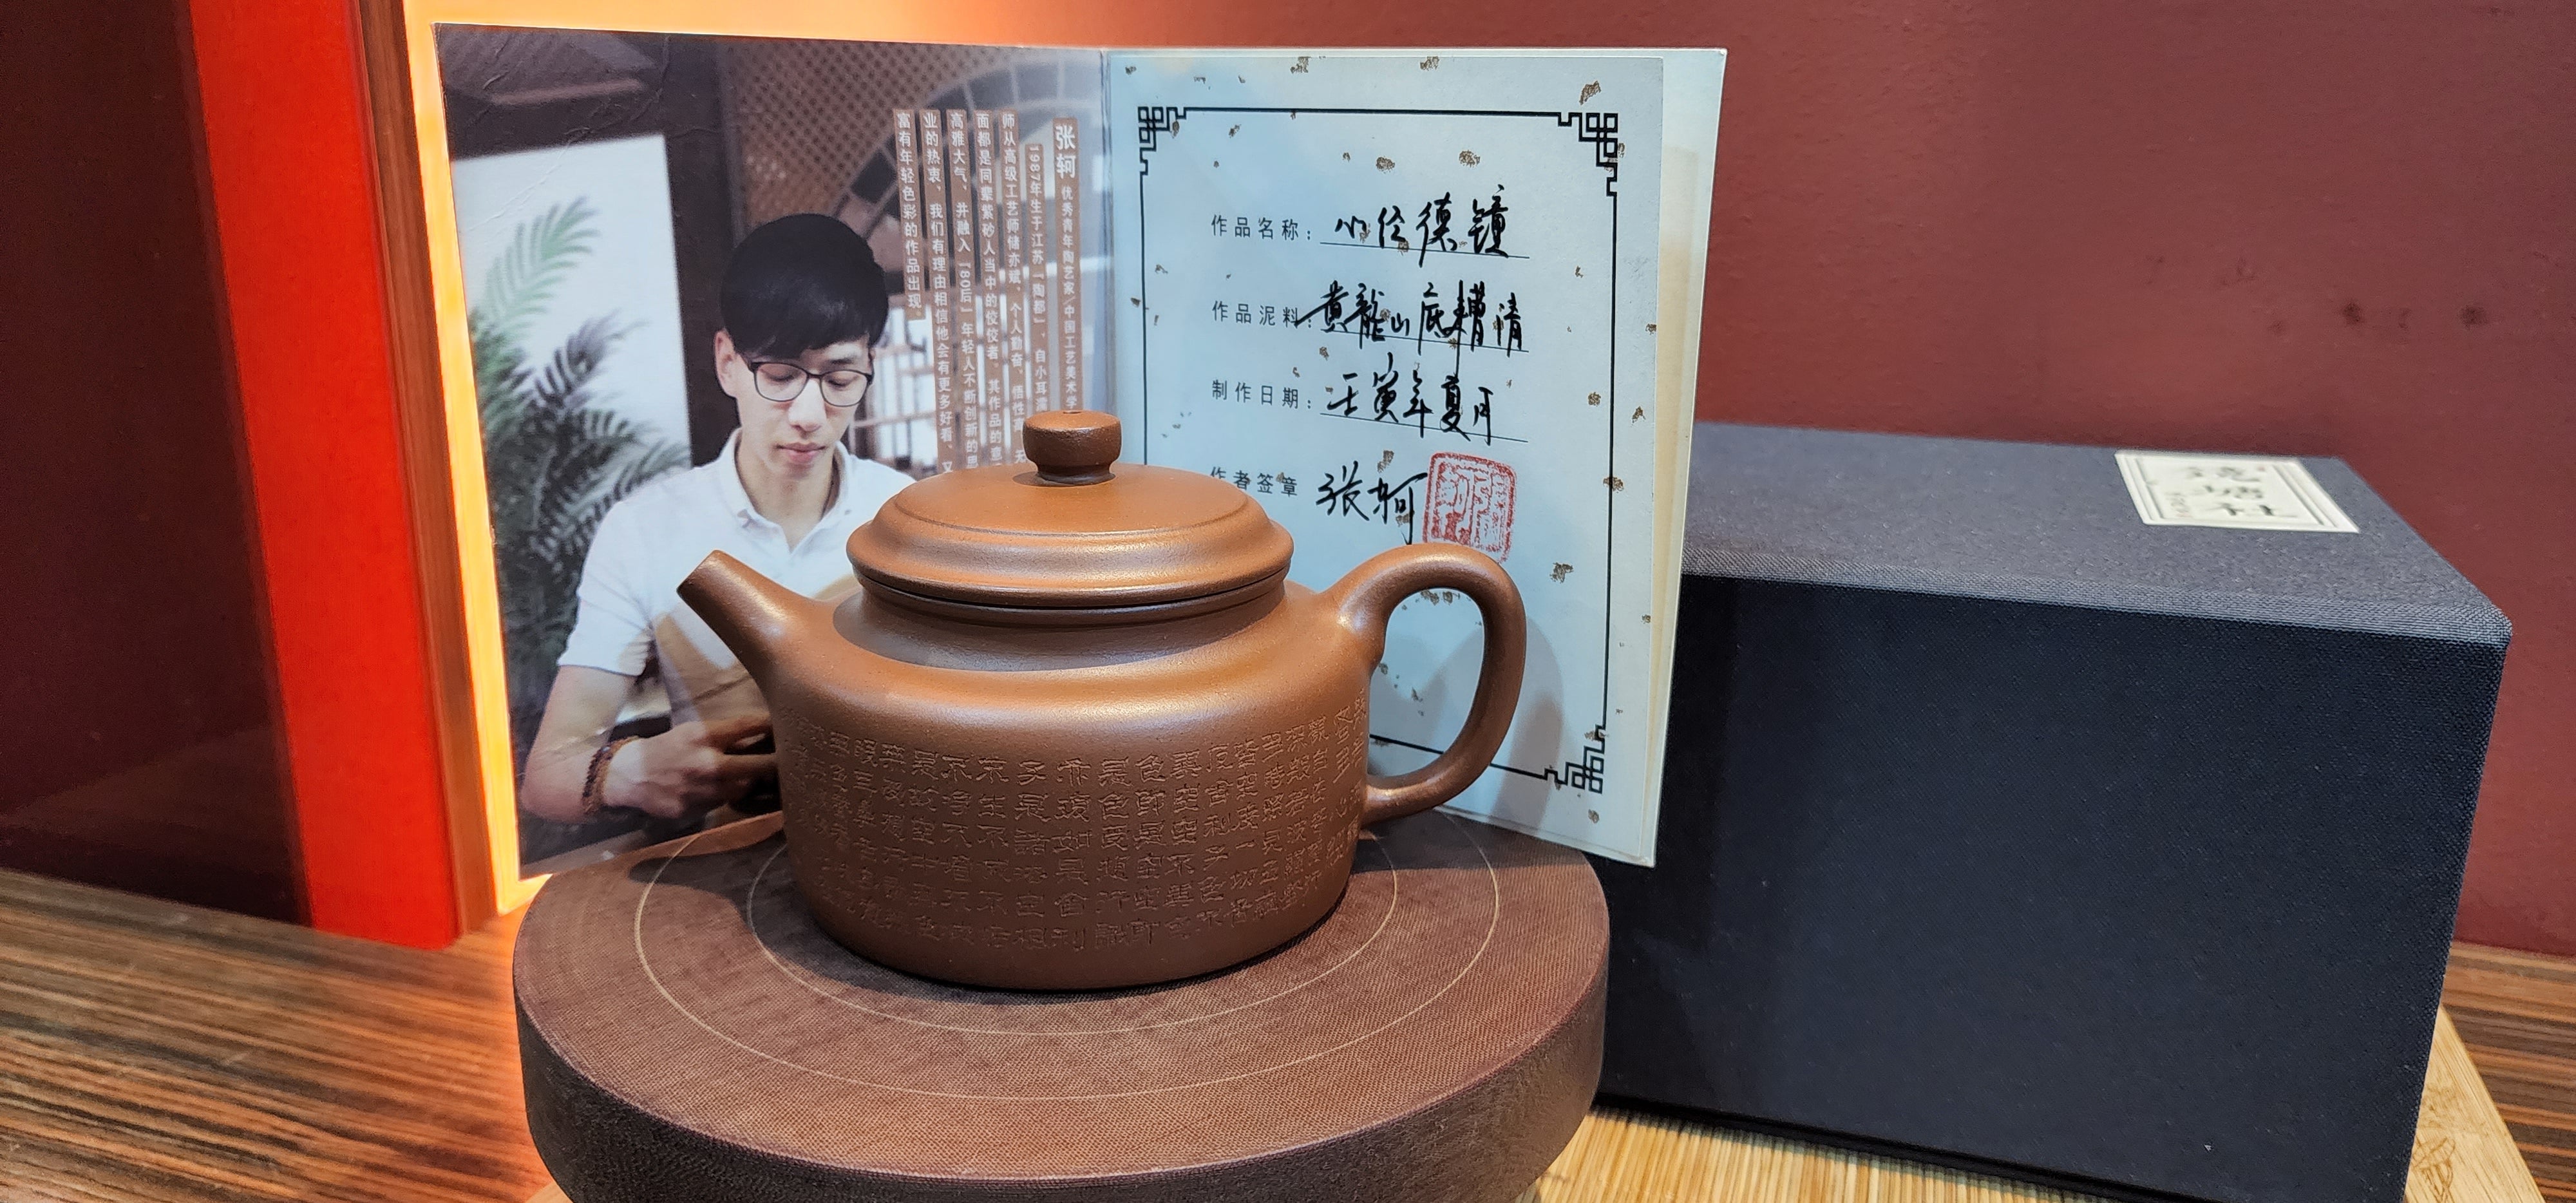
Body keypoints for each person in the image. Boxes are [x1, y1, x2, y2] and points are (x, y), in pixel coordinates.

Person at [518, 214, 915, 826]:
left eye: (840, 379)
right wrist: (626, 773)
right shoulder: (644, 532)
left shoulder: (903, 515)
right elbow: (547, 779)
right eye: (780, 376)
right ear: (727, 361)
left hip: (886, 840)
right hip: (727, 856)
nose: (810, 414)